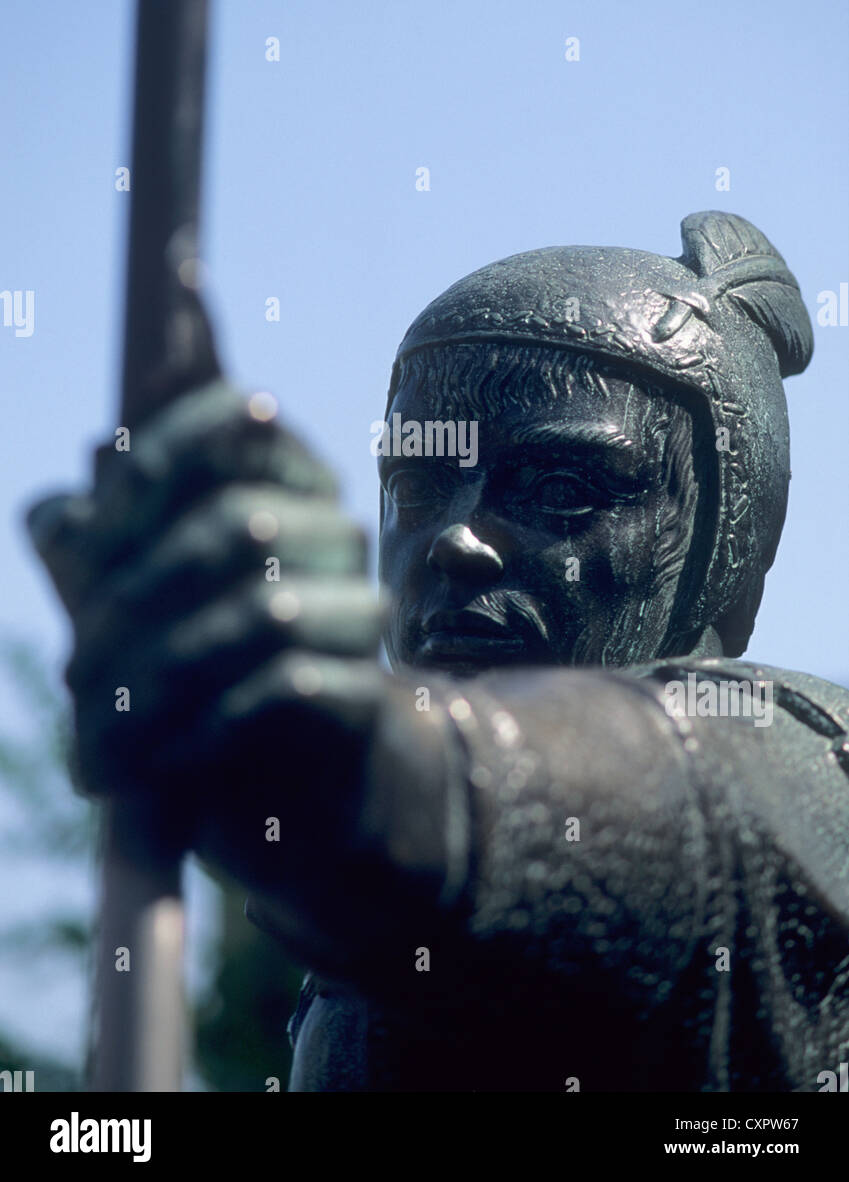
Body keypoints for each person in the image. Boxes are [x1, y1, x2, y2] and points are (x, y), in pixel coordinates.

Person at [28, 210, 849, 1092]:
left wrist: (336, 761)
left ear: (712, 550)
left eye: (562, 490)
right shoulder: (355, 942)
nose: (454, 540)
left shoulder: (791, 781)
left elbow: (498, 804)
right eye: (418, 486)